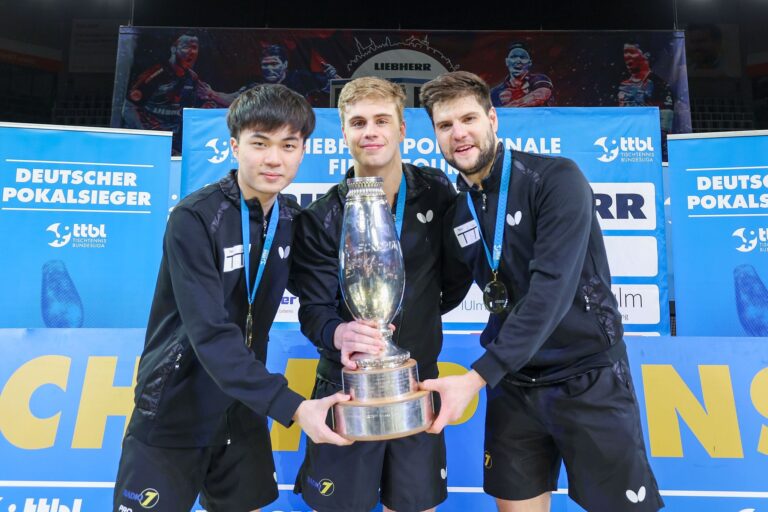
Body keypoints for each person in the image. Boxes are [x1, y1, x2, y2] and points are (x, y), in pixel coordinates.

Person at [418, 71, 664, 512]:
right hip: (514, 384)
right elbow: (443, 292)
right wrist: (382, 326)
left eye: (468, 118)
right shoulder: (458, 209)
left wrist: (477, 377)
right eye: (444, 125)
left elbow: (551, 290)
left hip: (586, 375)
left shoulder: (555, 179)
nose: (459, 134)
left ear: (493, 119)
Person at [113, 84, 352, 512]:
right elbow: (211, 334)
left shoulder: (292, 221)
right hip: (174, 407)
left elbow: (318, 302)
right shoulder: (195, 218)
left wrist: (343, 333)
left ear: (302, 152)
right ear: (234, 146)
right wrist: (296, 409)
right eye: (259, 143)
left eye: (288, 145)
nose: (274, 158)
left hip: (243, 407)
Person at [291, 76, 472, 512]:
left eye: (380, 120)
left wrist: (414, 313)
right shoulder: (321, 217)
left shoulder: (436, 191)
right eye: (357, 122)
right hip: (346, 391)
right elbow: (313, 311)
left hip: (417, 383)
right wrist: (340, 334)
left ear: (402, 129)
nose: (369, 131)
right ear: (344, 132)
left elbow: (454, 280)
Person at [122, 34, 217, 154]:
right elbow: (128, 108)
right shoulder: (156, 74)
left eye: (194, 48)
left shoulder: (192, 78)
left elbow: (201, 103)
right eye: (186, 47)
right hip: (149, 140)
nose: (191, 52)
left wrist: (206, 106)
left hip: (173, 143)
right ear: (173, 49)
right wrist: (148, 137)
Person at [207, 44, 341, 107]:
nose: (269, 69)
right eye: (265, 64)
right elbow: (234, 99)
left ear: (285, 64)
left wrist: (334, 77)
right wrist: (213, 94)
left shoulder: (300, 78)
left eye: (274, 64)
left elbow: (336, 88)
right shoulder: (255, 86)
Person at [618, 43, 674, 134]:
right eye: (625, 53)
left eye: (631, 52)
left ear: (646, 55)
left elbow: (665, 124)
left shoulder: (659, 85)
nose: (627, 56)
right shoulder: (623, 85)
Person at [490, 43, 554, 107]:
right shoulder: (495, 92)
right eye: (513, 57)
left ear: (529, 63)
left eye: (523, 57)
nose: (518, 61)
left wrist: (509, 106)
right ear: (507, 61)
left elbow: (541, 95)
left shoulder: (540, 79)